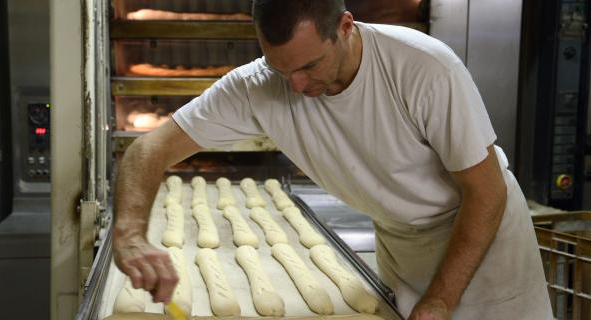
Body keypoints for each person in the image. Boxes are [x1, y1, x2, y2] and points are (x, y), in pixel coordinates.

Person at [112, 0, 553, 319]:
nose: (298, 86)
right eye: (281, 69)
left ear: (345, 26)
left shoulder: (423, 68)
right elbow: (148, 149)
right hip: (402, 242)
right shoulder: (260, 85)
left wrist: (440, 299)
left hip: (483, 239)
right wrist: (130, 234)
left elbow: (486, 190)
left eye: (310, 66)